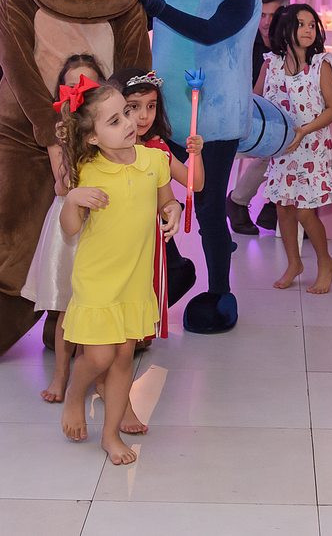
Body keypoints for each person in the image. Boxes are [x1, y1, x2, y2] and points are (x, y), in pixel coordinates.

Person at [54, 79, 182, 466]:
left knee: (124, 358)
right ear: (92, 137)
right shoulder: (86, 170)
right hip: (97, 280)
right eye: (115, 120)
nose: (129, 122)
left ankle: (110, 435)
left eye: (126, 112)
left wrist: (172, 210)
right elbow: (70, 229)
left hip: (134, 281)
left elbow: (167, 200)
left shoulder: (154, 161)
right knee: (98, 357)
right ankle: (75, 393)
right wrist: (73, 199)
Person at [25, 53, 106, 406]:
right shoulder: (58, 132)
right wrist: (70, 142)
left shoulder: (111, 127)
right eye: (72, 86)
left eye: (86, 85)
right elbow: (62, 186)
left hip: (103, 220)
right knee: (67, 308)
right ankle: (60, 376)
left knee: (97, 305)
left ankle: (98, 376)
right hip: (68, 221)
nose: (79, 92)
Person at [112, 67, 206, 339]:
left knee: (151, 284)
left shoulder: (157, 148)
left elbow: (195, 183)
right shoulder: (109, 148)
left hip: (149, 235)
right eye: (134, 107)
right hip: (114, 235)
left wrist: (196, 153)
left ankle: (137, 332)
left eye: (151, 106)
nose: (144, 115)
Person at [257, 3, 332, 294]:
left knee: (305, 212)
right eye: (301, 24)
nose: (308, 30)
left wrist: (304, 130)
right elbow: (257, 101)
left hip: (312, 148)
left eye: (312, 25)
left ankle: (325, 261)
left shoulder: (321, 65)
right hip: (283, 150)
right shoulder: (271, 64)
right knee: (283, 208)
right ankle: (294, 263)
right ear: (286, 28)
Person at [227, 0, 290, 235]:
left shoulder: (290, 46)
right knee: (283, 145)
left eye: (273, 16)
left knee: (298, 140)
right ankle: (264, 205)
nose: (266, 22)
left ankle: (271, 206)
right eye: (262, 15)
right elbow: (253, 97)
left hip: (277, 117)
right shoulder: (245, 44)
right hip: (247, 117)